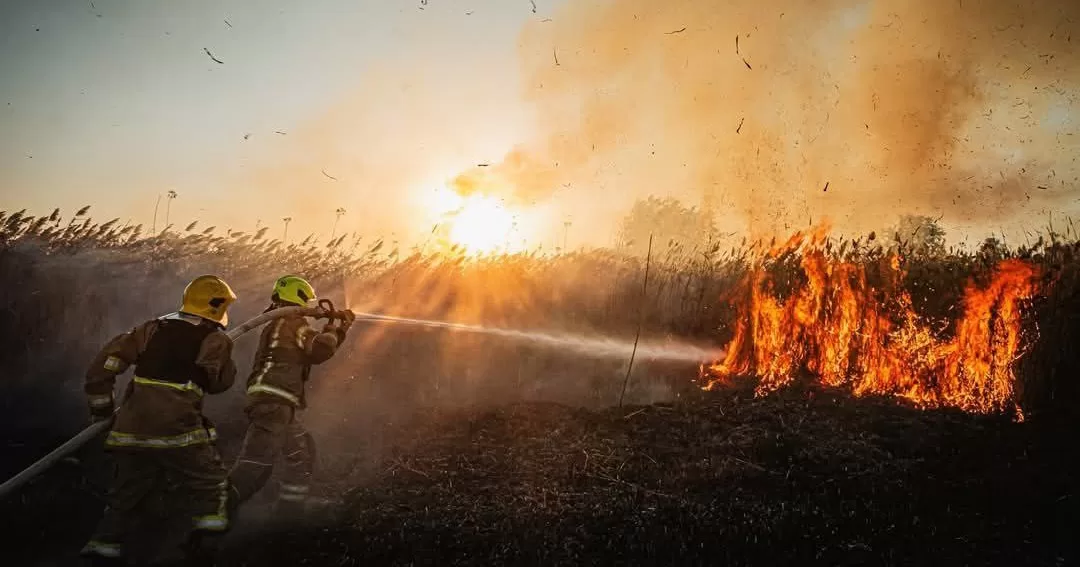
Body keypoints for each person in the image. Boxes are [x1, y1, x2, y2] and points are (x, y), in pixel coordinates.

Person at [80, 275, 239, 566]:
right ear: (217, 306)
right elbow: (218, 383)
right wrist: (227, 358)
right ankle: (204, 551)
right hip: (179, 434)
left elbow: (101, 370)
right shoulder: (215, 339)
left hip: (129, 434)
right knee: (212, 488)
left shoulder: (150, 328)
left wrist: (103, 413)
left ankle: (101, 551)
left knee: (123, 500)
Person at [228, 275, 354, 516]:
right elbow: (320, 350)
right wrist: (338, 328)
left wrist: (336, 329)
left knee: (302, 452)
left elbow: (310, 354)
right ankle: (213, 513)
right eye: (308, 301)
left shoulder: (280, 324)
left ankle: (290, 509)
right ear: (297, 298)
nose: (310, 306)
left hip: (277, 404)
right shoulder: (290, 323)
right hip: (273, 404)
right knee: (255, 466)